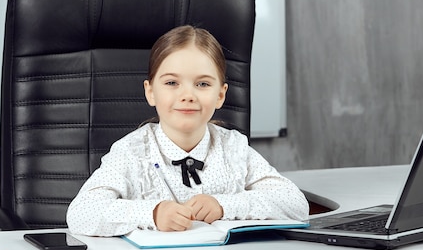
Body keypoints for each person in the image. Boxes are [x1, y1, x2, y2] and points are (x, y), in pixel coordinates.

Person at [66, 25, 309, 236]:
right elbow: (80, 213)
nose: (188, 96)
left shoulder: (234, 148)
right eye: (172, 83)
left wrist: (224, 206)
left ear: (220, 95)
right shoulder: (131, 152)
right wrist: (153, 213)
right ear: (150, 92)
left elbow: (296, 204)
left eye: (202, 84)